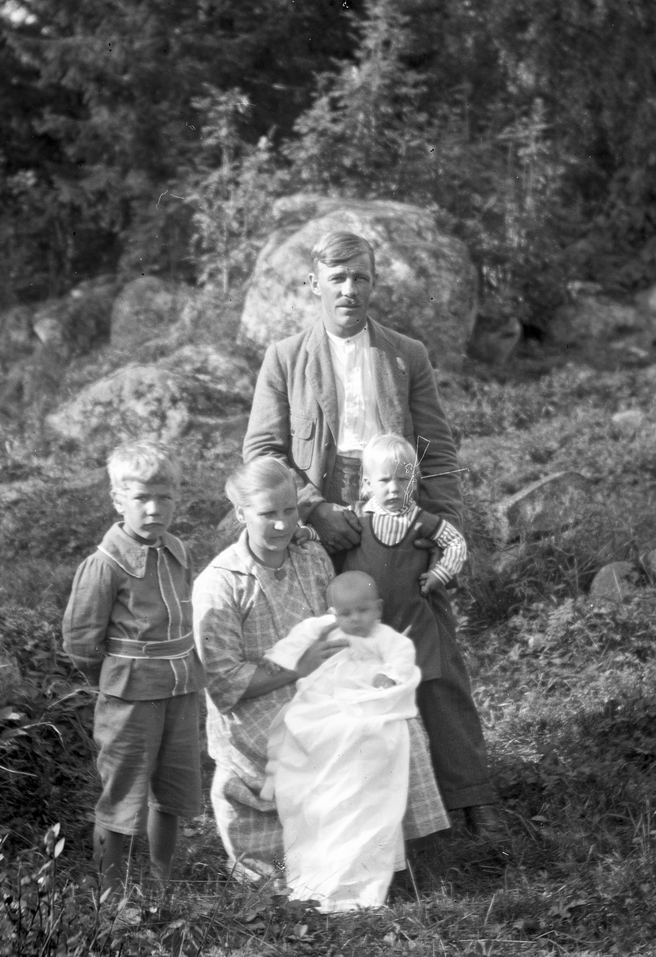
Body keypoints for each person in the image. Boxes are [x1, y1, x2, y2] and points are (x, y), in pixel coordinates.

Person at [243, 230, 501, 835]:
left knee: (431, 651)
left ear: (374, 283)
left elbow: (436, 450)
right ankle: (344, 808)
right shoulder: (285, 358)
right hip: (320, 530)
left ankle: (469, 794)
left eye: (360, 277)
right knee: (331, 655)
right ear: (314, 285)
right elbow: (263, 450)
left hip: (395, 515)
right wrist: (314, 509)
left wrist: (441, 528)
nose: (349, 290)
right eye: (337, 279)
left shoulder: (406, 354)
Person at [191, 457, 449, 886]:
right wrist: (297, 667)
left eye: (289, 510)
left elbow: (335, 629)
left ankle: (390, 852)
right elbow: (224, 685)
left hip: (319, 686)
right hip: (257, 709)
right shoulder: (220, 583)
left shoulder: (309, 556)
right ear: (240, 514)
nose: (281, 524)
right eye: (267, 514)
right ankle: (345, 855)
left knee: (392, 717)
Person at [62, 436, 204, 902]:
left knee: (173, 791)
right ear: (117, 499)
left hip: (180, 691)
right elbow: (81, 641)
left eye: (165, 497)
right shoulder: (103, 565)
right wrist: (114, 681)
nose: (154, 509)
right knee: (123, 795)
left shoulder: (176, 550)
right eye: (142, 497)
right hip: (129, 698)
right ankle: (110, 897)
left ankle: (164, 887)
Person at [262, 572, 448, 912]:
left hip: (366, 696)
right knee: (308, 735)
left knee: (372, 736)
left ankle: (364, 867)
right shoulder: (326, 628)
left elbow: (402, 655)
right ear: (334, 612)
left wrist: (389, 674)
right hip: (328, 697)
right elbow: (298, 638)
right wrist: (280, 657)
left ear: (378, 609)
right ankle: (317, 864)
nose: (354, 619)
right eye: (345, 613)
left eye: (362, 611)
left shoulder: (384, 636)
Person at [338, 432, 468, 798]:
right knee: (370, 705)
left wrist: (440, 574)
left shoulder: (421, 521)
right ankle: (373, 784)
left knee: (414, 701)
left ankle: (425, 784)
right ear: (367, 483)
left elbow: (455, 543)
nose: (394, 488)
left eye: (403, 479)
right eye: (384, 480)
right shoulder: (355, 518)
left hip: (412, 626)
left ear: (416, 481)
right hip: (369, 631)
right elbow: (321, 540)